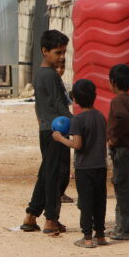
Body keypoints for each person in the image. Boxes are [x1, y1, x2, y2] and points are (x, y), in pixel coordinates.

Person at [21, 30, 72, 235]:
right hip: (56, 132)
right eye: (57, 52)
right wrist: (82, 123)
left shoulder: (41, 74)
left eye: (64, 53)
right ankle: (51, 220)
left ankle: (31, 217)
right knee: (56, 176)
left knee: (46, 175)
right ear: (44, 51)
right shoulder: (50, 75)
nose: (61, 57)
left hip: (47, 129)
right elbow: (60, 106)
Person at [53, 79, 108, 248]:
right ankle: (100, 235)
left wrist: (60, 138)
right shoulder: (100, 116)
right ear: (94, 96)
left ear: (74, 99)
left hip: (85, 168)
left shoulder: (78, 120)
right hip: (101, 165)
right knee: (100, 201)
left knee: (86, 203)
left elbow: (77, 144)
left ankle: (87, 238)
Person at [107, 64, 129, 240]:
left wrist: (113, 138)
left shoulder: (118, 101)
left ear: (112, 82)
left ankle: (128, 228)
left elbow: (124, 120)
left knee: (124, 191)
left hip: (124, 152)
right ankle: (121, 226)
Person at [55, 62, 73, 204]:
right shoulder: (54, 84)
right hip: (59, 128)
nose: (60, 70)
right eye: (57, 68)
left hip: (64, 127)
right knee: (61, 162)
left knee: (64, 162)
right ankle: (58, 193)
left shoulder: (60, 83)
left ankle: (60, 192)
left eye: (62, 67)